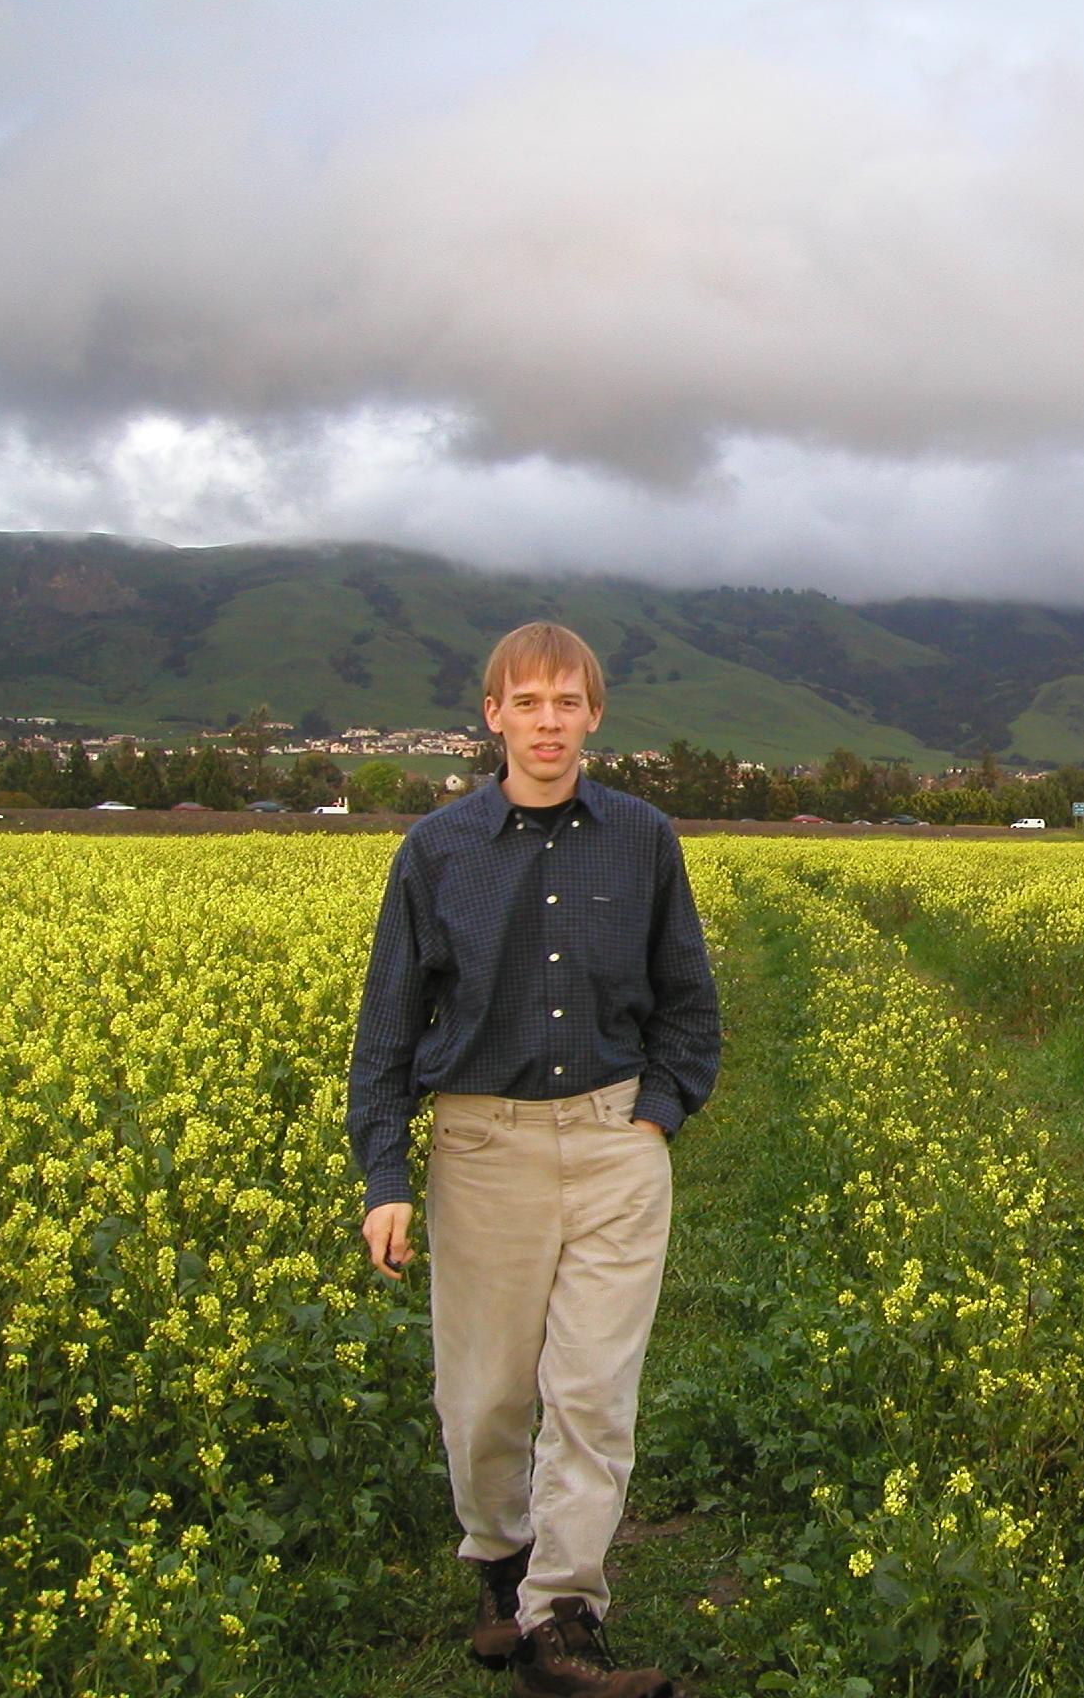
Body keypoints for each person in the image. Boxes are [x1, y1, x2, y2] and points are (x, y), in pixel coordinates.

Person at [346, 621, 720, 1697]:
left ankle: (563, 1616)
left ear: (593, 715)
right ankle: (498, 1562)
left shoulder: (642, 838)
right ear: (494, 714)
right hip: (482, 1141)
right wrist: (387, 1179)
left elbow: (690, 1003)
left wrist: (652, 1117)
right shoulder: (436, 850)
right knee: (485, 1395)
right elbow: (384, 1033)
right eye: (529, 701)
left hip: (612, 1140)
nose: (548, 721)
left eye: (567, 702)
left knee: (594, 1389)